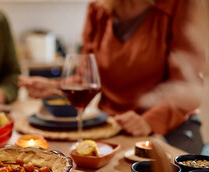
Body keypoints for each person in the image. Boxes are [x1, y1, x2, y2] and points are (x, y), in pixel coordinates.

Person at [20, 0, 205, 154]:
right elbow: (87, 78)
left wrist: (148, 121)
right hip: (113, 126)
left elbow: (188, 87)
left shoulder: (180, 5)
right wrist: (54, 87)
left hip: (172, 125)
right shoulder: (97, 9)